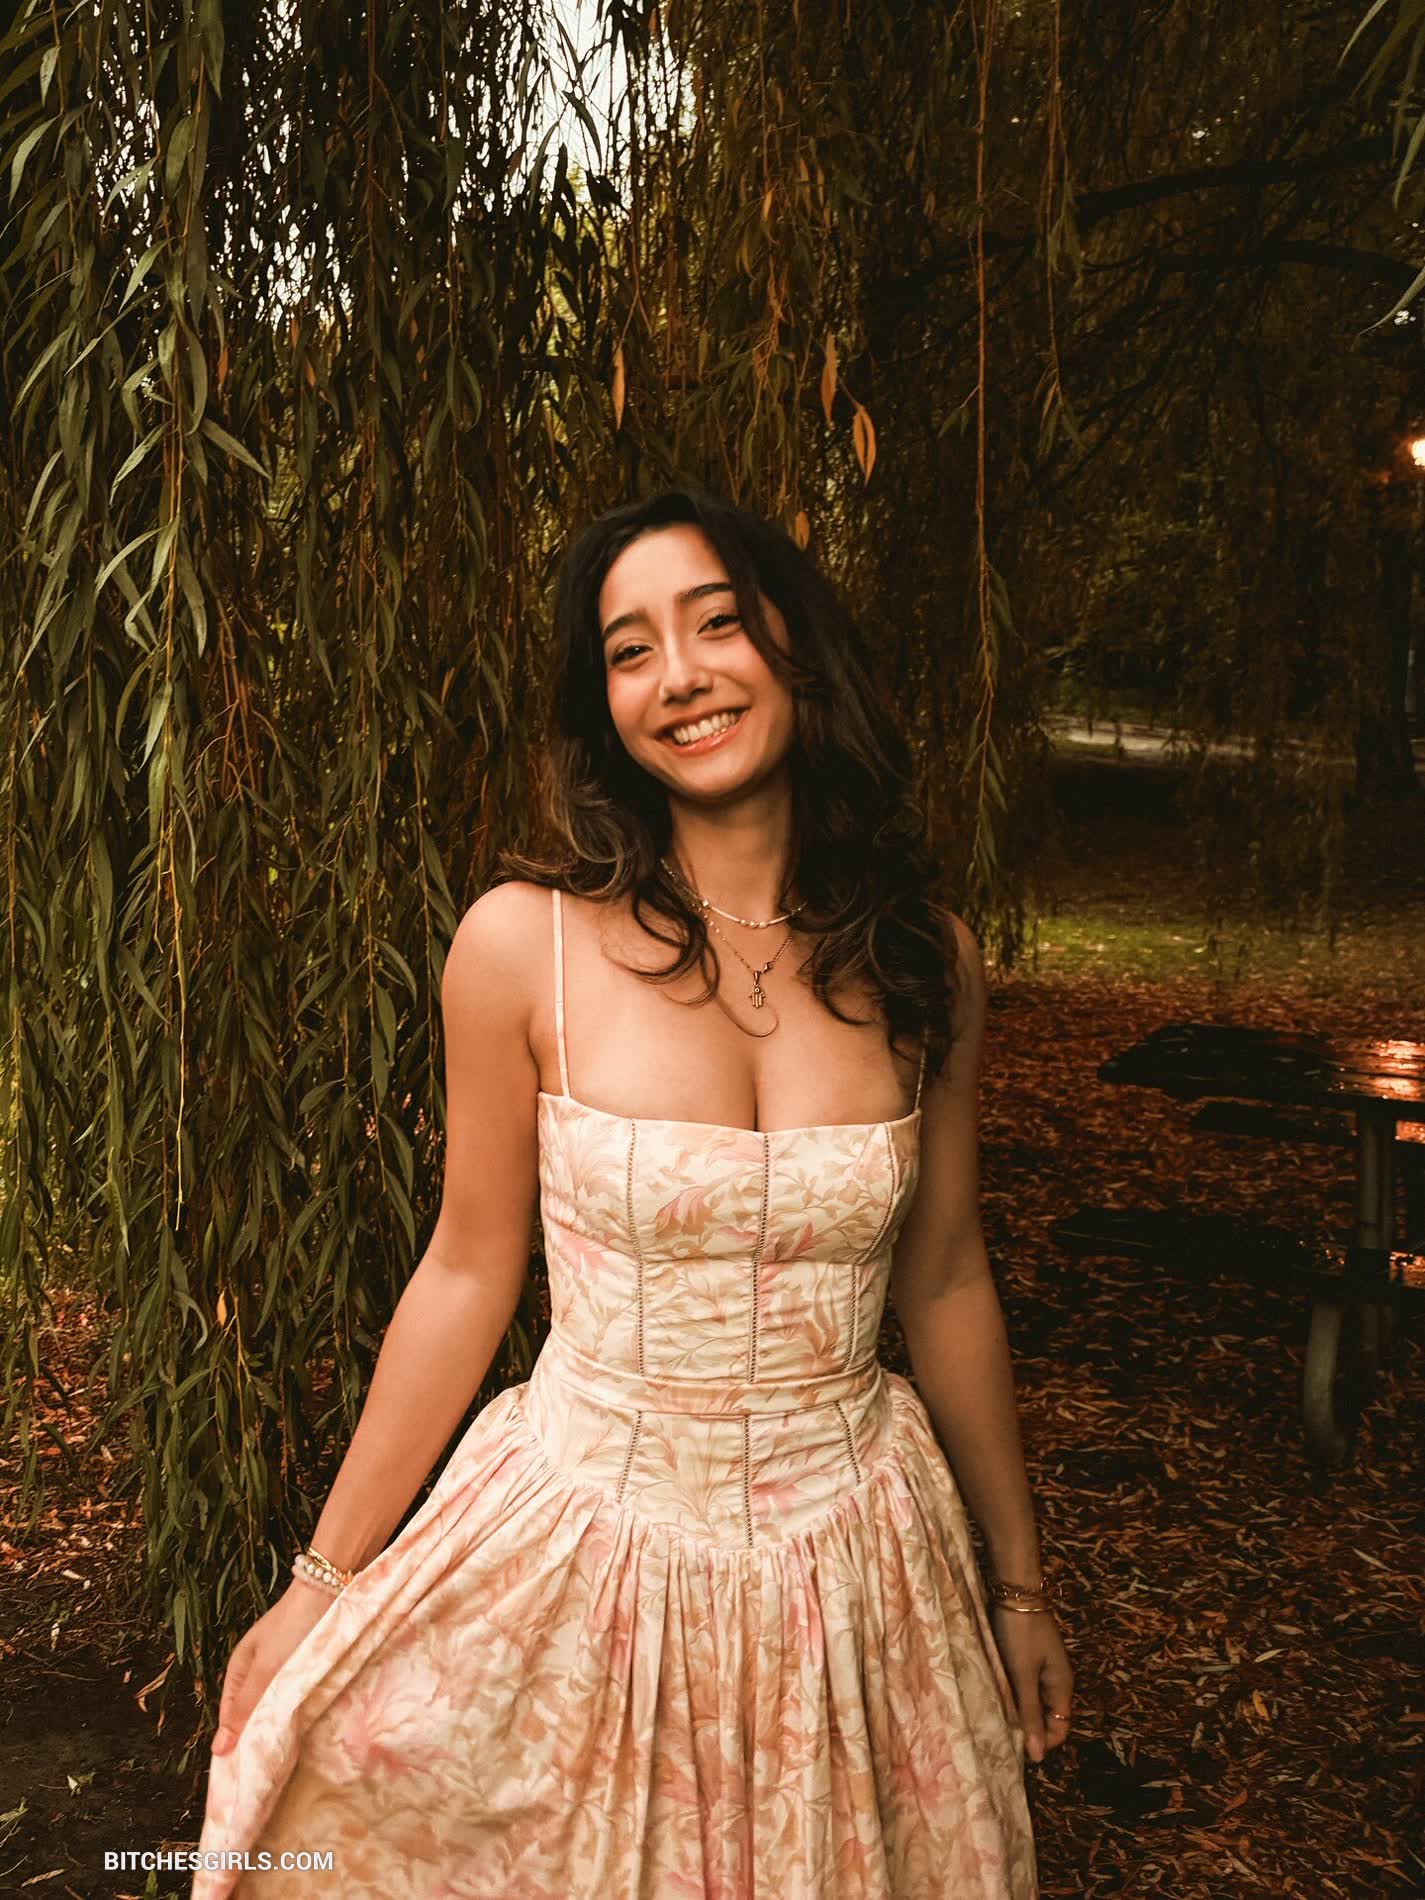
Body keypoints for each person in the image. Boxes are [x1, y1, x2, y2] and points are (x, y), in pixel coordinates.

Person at [192, 487, 1070, 1898]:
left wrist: (1018, 1584)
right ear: (603, 708)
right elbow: (466, 1271)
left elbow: (948, 1274)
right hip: (592, 1544)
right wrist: (320, 1582)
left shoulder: (925, 960)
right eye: (629, 649)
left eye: (715, 623)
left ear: (795, 646)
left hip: (855, 1567)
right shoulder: (519, 947)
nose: (679, 676)